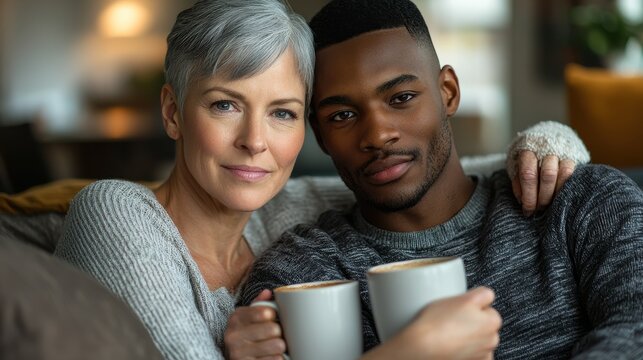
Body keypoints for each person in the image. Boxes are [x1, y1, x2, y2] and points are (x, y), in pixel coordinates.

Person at [55, 0, 588, 359]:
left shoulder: (285, 210)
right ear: (173, 113)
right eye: (224, 105)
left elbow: (430, 174)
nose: (255, 141)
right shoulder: (115, 212)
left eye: (282, 113)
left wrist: (547, 143)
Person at [236, 0, 643, 359]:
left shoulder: (583, 202)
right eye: (342, 115)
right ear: (320, 136)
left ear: (448, 92)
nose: (378, 135)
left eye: (401, 98)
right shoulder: (303, 275)